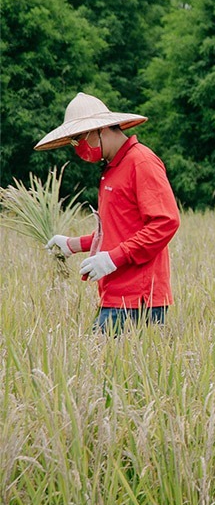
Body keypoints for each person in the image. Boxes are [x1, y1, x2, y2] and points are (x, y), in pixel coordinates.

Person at [36, 92, 180, 334]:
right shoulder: (112, 169)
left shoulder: (141, 162)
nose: (77, 147)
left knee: (97, 363)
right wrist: (72, 244)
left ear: (100, 130)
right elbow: (117, 231)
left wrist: (113, 258)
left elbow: (165, 222)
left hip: (138, 298)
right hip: (115, 294)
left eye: (78, 138)